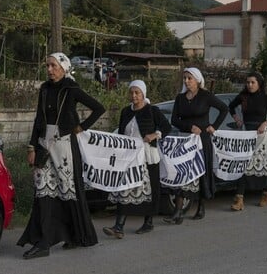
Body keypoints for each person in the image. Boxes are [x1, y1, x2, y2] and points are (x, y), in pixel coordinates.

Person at [18, 52, 105, 259]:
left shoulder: (71, 88)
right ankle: (43, 242)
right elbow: (39, 118)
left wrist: (81, 127)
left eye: (53, 66)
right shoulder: (45, 89)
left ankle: (76, 235)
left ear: (64, 68)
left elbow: (98, 108)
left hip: (65, 145)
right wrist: (31, 147)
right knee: (43, 192)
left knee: (69, 191)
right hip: (44, 144)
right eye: (47, 65)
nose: (49, 69)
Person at [102, 80, 172, 239]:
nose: (134, 96)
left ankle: (148, 222)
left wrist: (155, 135)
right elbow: (121, 133)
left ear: (143, 94)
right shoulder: (126, 111)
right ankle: (119, 226)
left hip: (147, 156)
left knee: (149, 189)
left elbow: (166, 128)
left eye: (137, 93)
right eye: (132, 92)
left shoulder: (152, 110)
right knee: (124, 187)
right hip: (129, 156)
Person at [166, 67, 228, 223]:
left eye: (189, 78)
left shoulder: (206, 96)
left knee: (200, 173)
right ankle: (178, 212)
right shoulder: (180, 98)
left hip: (202, 141)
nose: (186, 81)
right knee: (182, 173)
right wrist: (189, 128)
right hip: (185, 141)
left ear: (197, 80)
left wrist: (214, 126)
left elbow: (224, 108)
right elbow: (174, 120)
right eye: (185, 78)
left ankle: (201, 206)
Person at [228, 72, 267, 211]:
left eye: (252, 82)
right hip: (246, 133)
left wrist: (265, 123)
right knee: (243, 165)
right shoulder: (243, 97)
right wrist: (237, 118)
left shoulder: (266, 98)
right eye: (247, 82)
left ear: (259, 83)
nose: (249, 85)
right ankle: (239, 199)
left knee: (263, 164)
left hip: (261, 133)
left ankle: (265, 193)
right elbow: (231, 107)